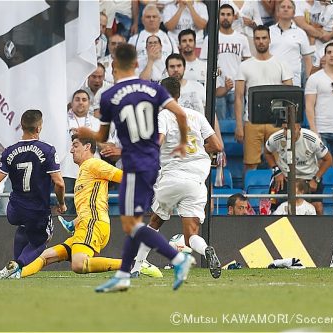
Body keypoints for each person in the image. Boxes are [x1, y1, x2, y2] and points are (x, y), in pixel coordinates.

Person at [73, 43, 193, 293]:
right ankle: (124, 275)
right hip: (151, 163)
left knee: (132, 225)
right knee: (133, 222)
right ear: (137, 65)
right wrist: (182, 143)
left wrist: (87, 132)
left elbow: (102, 134)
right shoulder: (153, 89)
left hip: (134, 163)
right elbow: (181, 115)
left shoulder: (108, 97)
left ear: (114, 66)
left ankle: (178, 258)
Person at [0, 136, 124, 279]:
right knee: (44, 257)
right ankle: (13, 274)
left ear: (87, 147)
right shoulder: (84, 170)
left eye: (75, 145)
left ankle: (130, 264)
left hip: (93, 223)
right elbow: (91, 202)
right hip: (85, 225)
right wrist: (74, 223)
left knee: (78, 265)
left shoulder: (94, 164)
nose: (71, 150)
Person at [130, 77, 223, 279]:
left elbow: (158, 140)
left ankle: (136, 268)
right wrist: (198, 151)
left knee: (155, 221)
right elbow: (217, 146)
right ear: (179, 94)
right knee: (190, 237)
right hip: (197, 181)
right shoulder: (196, 116)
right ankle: (206, 249)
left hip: (172, 177)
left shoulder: (162, 115)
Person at [0, 110, 66, 272]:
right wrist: (62, 203)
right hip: (37, 210)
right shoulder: (47, 150)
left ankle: (14, 271)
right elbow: (59, 183)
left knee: (24, 227)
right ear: (38, 128)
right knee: (42, 239)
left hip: (14, 210)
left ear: (21, 127)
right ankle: (18, 265)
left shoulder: (9, 152)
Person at [234, 25, 293, 173]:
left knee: (280, 163)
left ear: (269, 40)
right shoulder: (244, 66)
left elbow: (290, 96)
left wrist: (288, 122)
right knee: (250, 164)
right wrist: (239, 126)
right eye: (258, 38)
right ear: (253, 40)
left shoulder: (281, 64)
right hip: (252, 121)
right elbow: (239, 98)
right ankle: (248, 194)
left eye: (264, 38)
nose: (261, 41)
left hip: (276, 121)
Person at [264, 122, 333, 215]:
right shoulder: (276, 138)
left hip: (309, 177)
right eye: (285, 129)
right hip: (285, 176)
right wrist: (277, 171)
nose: (288, 133)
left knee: (318, 207)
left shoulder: (312, 139)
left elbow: (328, 159)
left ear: (299, 128)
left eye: (292, 129)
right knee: (274, 205)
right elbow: (267, 152)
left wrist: (316, 179)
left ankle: (320, 229)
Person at [200, 3, 251, 120]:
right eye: (222, 14)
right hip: (217, 88)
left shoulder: (241, 38)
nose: (225, 17)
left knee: (237, 125)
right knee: (219, 125)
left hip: (237, 88)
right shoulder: (210, 38)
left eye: (228, 14)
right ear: (218, 17)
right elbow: (204, 64)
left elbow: (247, 64)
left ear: (234, 17)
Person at [62, 90, 100, 215]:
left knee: (90, 208)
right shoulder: (62, 121)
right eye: (77, 99)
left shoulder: (96, 122)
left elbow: (108, 146)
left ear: (89, 103)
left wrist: (91, 136)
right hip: (67, 171)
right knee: (68, 210)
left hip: (91, 171)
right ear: (71, 102)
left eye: (84, 100)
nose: (81, 102)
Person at [305, 42, 333, 167]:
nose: (332, 55)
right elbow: (309, 106)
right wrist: (313, 129)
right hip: (321, 129)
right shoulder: (314, 78)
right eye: (329, 52)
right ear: (324, 56)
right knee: (320, 167)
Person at [268, 0, 313, 87]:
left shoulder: (300, 33)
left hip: (293, 81)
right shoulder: (269, 31)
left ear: (294, 13)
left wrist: (309, 81)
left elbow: (307, 59)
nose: (285, 9)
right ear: (277, 12)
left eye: (289, 7)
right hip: (271, 80)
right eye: (283, 7)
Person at [128, 4, 178, 70]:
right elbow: (128, 62)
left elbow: (177, 60)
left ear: (160, 19)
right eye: (148, 17)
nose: (151, 19)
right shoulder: (134, 40)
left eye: (154, 16)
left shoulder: (170, 39)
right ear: (142, 20)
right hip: (141, 78)